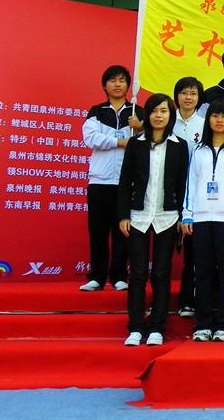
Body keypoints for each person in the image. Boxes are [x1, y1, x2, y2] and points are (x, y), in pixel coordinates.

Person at [118, 93, 188, 346]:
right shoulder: (136, 144)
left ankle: (157, 327)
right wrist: (123, 215)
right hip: (137, 215)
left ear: (171, 115)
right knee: (137, 273)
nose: (159, 116)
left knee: (161, 273)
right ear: (147, 115)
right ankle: (136, 327)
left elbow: (183, 184)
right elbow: (124, 181)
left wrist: (182, 215)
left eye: (164, 111)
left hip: (168, 216)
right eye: (154, 111)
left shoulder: (180, 146)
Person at [182, 99, 224, 342]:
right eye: (215, 115)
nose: (219, 120)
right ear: (208, 119)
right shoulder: (198, 150)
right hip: (201, 218)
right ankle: (202, 323)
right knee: (202, 272)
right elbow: (191, 183)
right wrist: (187, 214)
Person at [80, 65, 142, 292]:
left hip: (127, 182)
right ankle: (96, 276)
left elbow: (147, 143)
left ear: (128, 85)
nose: (117, 84)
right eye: (113, 80)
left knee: (123, 232)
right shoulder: (97, 111)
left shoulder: (136, 112)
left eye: (122, 80)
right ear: (104, 85)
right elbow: (91, 138)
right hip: (100, 180)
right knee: (97, 231)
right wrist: (121, 142)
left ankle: (118, 276)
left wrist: (140, 128)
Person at [172, 76, 206, 318]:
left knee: (194, 252)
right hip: (169, 192)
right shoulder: (166, 121)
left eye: (193, 93)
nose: (188, 97)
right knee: (165, 250)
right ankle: (160, 301)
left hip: (198, 193)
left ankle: (190, 300)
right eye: (184, 93)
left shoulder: (205, 124)